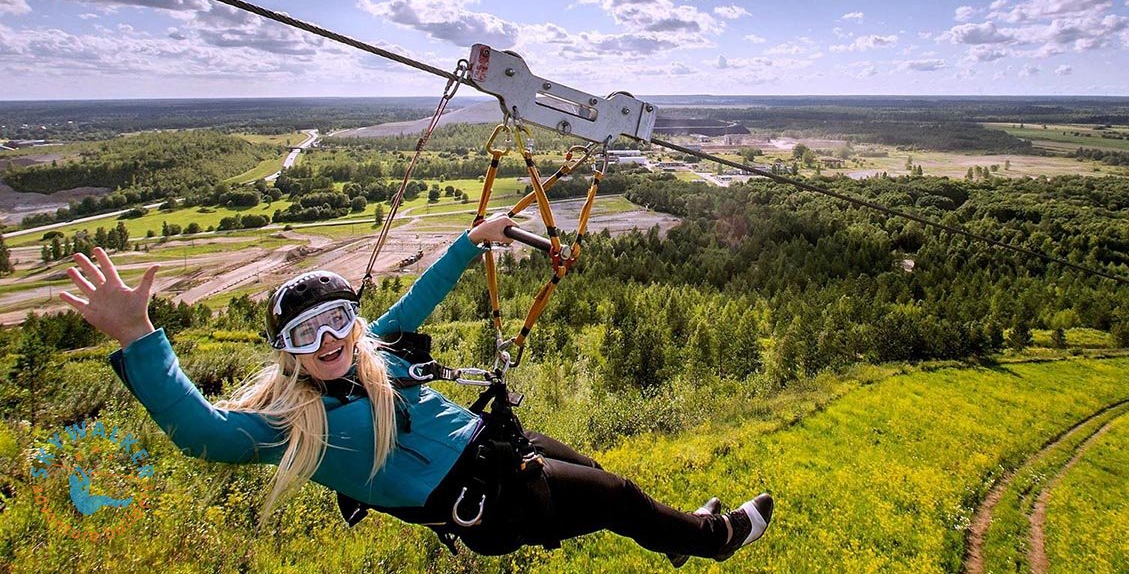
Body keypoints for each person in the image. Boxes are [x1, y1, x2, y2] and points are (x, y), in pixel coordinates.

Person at [59, 214, 773, 565]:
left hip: (496, 450)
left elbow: (418, 303)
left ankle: (671, 534)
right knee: (615, 498)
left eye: (337, 322)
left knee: (600, 478)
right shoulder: (291, 425)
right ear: (287, 355)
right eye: (308, 337)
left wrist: (473, 240)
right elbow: (200, 432)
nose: (331, 343)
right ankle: (712, 540)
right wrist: (140, 341)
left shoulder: (377, 354)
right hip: (484, 501)